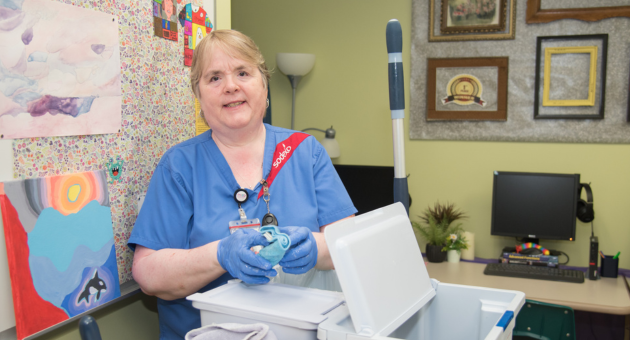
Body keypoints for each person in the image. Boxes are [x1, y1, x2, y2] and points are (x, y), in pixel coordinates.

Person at [128, 29, 357, 339]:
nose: (231, 86)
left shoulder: (305, 151)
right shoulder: (179, 166)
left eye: (243, 72)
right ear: (198, 95)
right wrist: (220, 254)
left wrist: (314, 247)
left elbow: (351, 246)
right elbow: (148, 274)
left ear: (263, 84)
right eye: (214, 78)